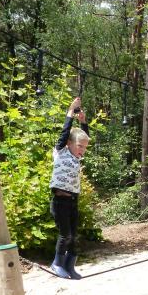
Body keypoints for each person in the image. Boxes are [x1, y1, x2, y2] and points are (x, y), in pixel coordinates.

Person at [49, 97, 90, 279]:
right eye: (79, 146)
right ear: (69, 144)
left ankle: (69, 266)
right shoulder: (61, 152)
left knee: (74, 237)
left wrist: (83, 122)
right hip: (60, 201)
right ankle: (56, 263)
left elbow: (84, 137)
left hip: (73, 200)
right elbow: (65, 133)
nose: (82, 150)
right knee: (65, 235)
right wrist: (70, 113)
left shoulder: (77, 158)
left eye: (85, 148)